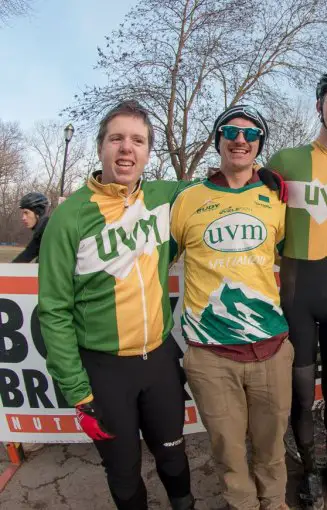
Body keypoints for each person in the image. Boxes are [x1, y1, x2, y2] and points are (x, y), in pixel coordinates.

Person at [37, 101, 194, 510]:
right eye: (117, 138)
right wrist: (76, 389)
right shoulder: (69, 217)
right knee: (123, 472)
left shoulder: (165, 195)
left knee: (174, 456)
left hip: (159, 361)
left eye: (138, 140)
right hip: (105, 372)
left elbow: (218, 191)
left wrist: (258, 178)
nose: (127, 148)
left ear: (148, 152)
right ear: (101, 146)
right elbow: (53, 311)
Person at [170, 105, 291, 510]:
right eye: (231, 131)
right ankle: (242, 505)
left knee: (272, 447)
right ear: (218, 139)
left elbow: (301, 255)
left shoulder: (277, 197)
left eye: (251, 133)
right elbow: (150, 262)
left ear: (259, 144)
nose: (240, 139)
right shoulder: (186, 200)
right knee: (228, 453)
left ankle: (274, 503)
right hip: (210, 356)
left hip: (271, 348)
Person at [267, 67, 327, 508]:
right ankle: (308, 472)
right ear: (320, 105)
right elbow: (249, 206)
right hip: (298, 290)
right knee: (303, 395)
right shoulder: (285, 160)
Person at [12, 192, 50, 262]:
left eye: (26, 213)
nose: (23, 218)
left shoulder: (50, 233)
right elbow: (26, 255)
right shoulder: (40, 233)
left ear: (38, 213)